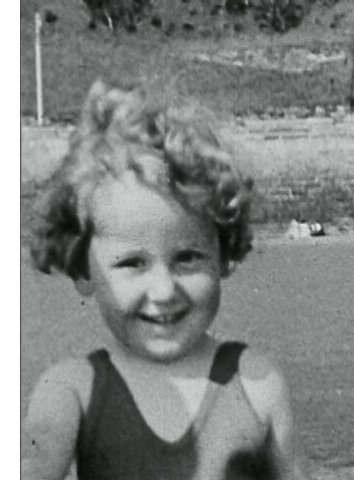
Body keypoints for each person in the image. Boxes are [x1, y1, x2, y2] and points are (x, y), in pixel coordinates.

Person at [22, 79, 309, 480]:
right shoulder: (70, 393)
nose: (163, 290)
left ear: (224, 254)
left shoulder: (257, 385)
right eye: (132, 263)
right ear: (83, 268)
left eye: (187, 258)